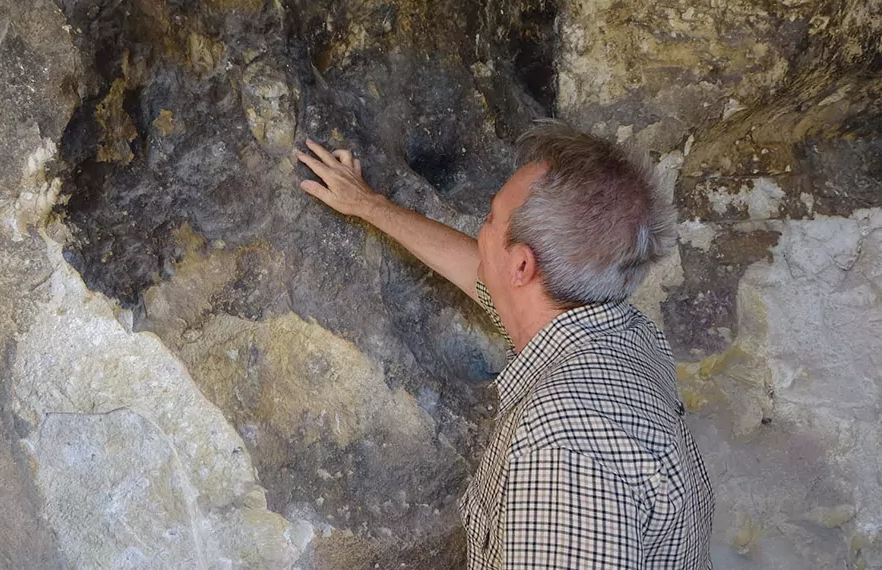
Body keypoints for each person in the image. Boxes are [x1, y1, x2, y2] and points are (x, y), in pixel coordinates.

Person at [294, 120, 714, 569]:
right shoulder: (623, 330)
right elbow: (484, 274)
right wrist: (371, 206)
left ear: (521, 267)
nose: (483, 230)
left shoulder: (561, 454)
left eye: (491, 218)